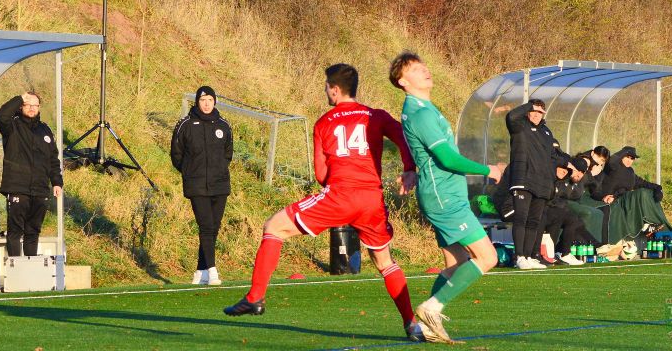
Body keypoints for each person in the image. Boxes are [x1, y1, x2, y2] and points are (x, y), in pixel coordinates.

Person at [223, 64, 422, 342]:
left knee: (274, 227)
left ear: (335, 89)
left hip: (340, 195)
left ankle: (255, 297)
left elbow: (321, 175)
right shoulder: (375, 116)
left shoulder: (324, 122)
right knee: (385, 262)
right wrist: (409, 168)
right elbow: (404, 137)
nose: (326, 91)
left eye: (327, 86)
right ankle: (412, 325)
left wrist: (336, 190)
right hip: (372, 200)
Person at [390, 51, 503, 344]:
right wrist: (487, 169)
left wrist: (412, 170)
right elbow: (447, 158)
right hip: (445, 199)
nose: (425, 70)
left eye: (424, 65)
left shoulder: (420, 109)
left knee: (455, 263)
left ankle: (425, 326)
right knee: (487, 257)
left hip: (442, 195)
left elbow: (423, 152)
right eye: (416, 69)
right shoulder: (421, 113)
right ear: (403, 81)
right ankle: (432, 307)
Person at [170, 86, 233, 286]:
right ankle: (212, 271)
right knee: (206, 226)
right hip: (196, 185)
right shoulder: (185, 125)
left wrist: (219, 170)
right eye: (203, 100)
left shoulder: (223, 125)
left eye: (210, 100)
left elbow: (228, 154)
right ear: (197, 101)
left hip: (220, 184)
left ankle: (200, 271)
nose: (206, 104)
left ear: (215, 102)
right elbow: (176, 154)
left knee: (213, 228)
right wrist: (189, 172)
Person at [0, 92, 63, 257]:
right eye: (28, 104)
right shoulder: (12, 125)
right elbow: (0, 115)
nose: (32, 108)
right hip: (18, 187)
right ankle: (15, 272)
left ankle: (30, 272)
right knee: (15, 232)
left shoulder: (45, 129)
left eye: (35, 105)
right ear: (21, 106)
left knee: (33, 231)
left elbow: (53, 159)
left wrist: (56, 182)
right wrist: (19, 97)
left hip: (40, 189)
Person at [505, 99, 565, 269]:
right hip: (523, 180)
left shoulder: (546, 132)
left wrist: (568, 165)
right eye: (534, 111)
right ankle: (519, 257)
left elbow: (553, 157)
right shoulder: (519, 126)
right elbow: (511, 116)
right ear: (528, 111)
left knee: (534, 222)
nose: (537, 115)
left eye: (540, 112)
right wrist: (529, 105)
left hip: (542, 183)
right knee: (521, 219)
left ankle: (530, 256)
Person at [541, 156, 602, 265]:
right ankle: (562, 253)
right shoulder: (563, 176)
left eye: (583, 172)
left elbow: (594, 187)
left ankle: (563, 252)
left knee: (575, 221)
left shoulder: (578, 182)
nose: (579, 174)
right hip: (547, 208)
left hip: (558, 209)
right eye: (578, 171)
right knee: (571, 219)